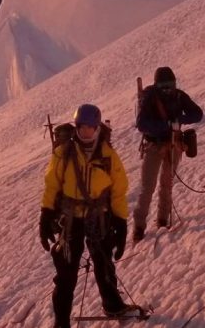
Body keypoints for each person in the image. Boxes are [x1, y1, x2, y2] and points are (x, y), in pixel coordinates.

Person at [40, 104, 135, 326]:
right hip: (71, 219)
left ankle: (112, 305)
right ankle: (61, 322)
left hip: (98, 217)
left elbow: (118, 191)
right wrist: (45, 214)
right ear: (76, 127)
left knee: (104, 263)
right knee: (66, 274)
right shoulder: (63, 153)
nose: (86, 133)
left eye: (90, 128)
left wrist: (121, 222)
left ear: (97, 128)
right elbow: (52, 186)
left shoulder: (108, 155)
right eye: (82, 128)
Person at [132, 67, 203, 240]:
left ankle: (162, 220)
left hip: (174, 143)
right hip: (154, 145)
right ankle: (139, 227)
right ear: (156, 86)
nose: (167, 90)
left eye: (170, 85)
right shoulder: (149, 97)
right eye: (164, 87)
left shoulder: (178, 96)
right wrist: (168, 125)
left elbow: (197, 114)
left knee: (167, 183)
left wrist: (179, 120)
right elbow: (141, 124)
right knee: (147, 187)